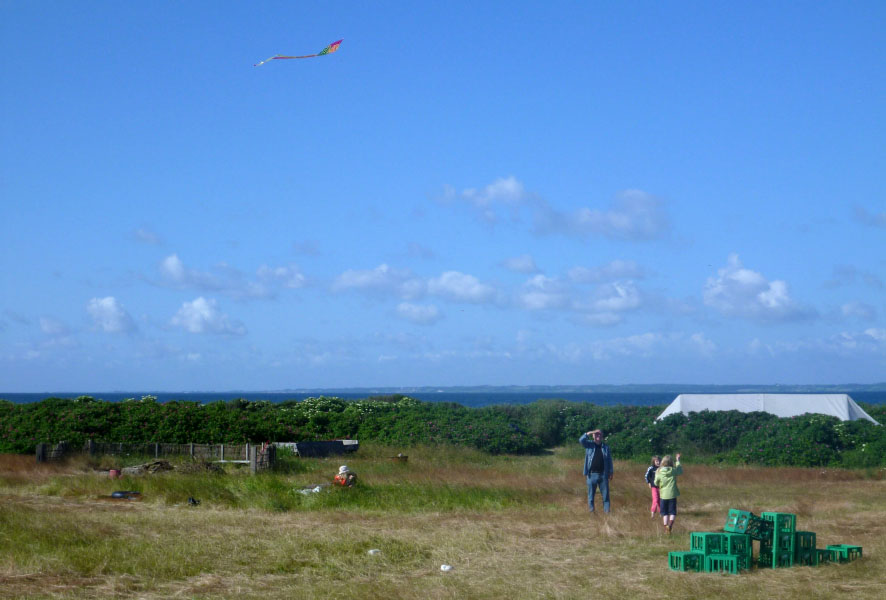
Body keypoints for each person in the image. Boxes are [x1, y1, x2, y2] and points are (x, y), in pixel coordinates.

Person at [579, 429, 614, 513]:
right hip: (591, 475)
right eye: (596, 434)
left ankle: (607, 513)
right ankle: (592, 512)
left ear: (602, 436)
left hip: (603, 475)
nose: (598, 436)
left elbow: (609, 460)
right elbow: (581, 440)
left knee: (606, 496)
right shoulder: (589, 445)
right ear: (593, 436)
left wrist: (611, 471)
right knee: (591, 496)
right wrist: (591, 432)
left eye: (600, 435)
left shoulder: (605, 447)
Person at [654, 453, 682, 534]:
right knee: (672, 512)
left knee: (664, 513)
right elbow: (680, 471)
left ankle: (666, 527)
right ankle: (670, 526)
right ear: (671, 463)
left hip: (663, 495)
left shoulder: (658, 471)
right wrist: (678, 461)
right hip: (672, 494)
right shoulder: (673, 470)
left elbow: (655, 483)